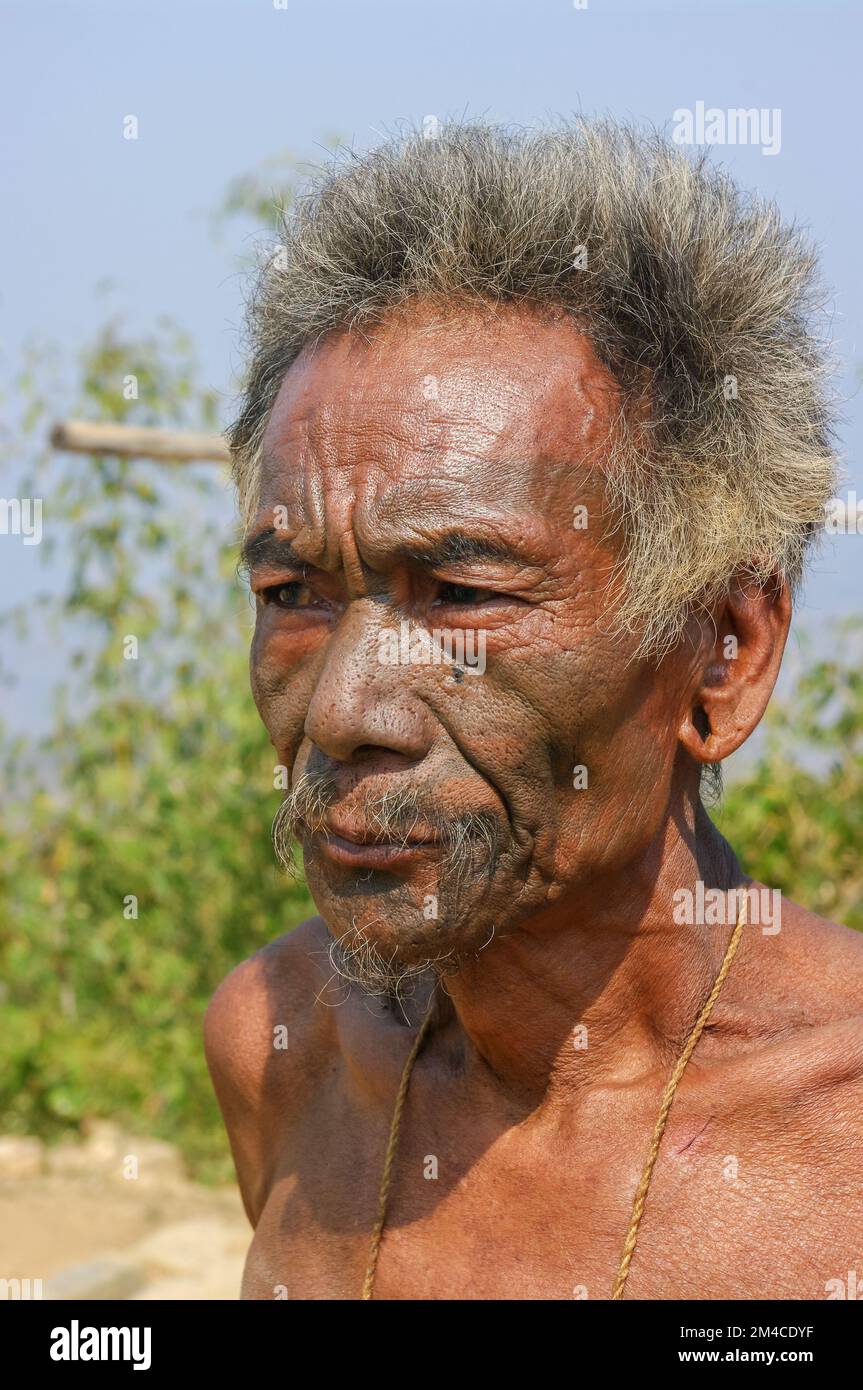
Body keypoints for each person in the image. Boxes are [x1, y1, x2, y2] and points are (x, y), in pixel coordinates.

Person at [205, 121, 863, 1300]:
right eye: (290, 592)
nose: (344, 710)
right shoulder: (281, 1045)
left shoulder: (839, 1156)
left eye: (460, 592)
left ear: (723, 652)